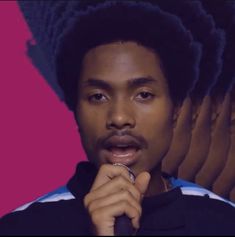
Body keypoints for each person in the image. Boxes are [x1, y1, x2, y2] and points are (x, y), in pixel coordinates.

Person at [0, 1, 235, 235]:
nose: (119, 117)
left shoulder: (224, 221)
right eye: (98, 96)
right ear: (76, 110)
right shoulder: (19, 227)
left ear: (176, 109)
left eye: (143, 95)